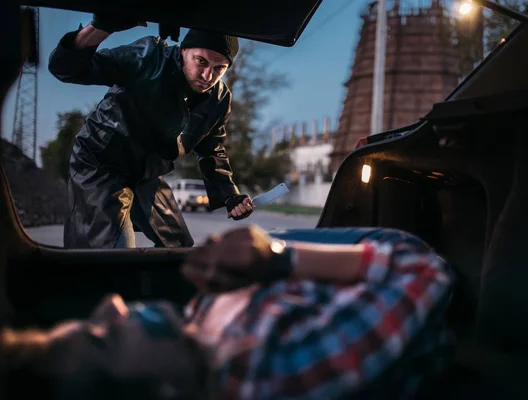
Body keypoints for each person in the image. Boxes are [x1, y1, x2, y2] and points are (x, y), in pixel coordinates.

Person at [1, 225, 454, 399]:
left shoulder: (194, 340)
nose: (111, 306)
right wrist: (281, 256)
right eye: (106, 337)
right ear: (164, 392)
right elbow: (426, 270)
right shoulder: (272, 374)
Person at [47, 14, 254, 249]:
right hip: (101, 164)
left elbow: (212, 150)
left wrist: (230, 195)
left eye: (219, 68)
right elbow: (67, 70)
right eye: (202, 62)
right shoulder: (148, 57)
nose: (208, 76)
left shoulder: (219, 98)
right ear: (184, 50)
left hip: (147, 174)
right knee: (112, 250)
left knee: (179, 248)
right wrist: (100, 28)